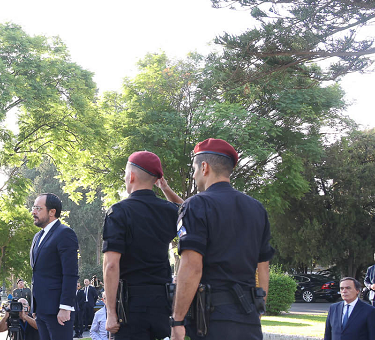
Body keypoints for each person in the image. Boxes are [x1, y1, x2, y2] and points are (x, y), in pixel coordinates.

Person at [169, 139, 275, 340]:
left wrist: (177, 320)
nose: (193, 175)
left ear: (204, 167)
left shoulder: (196, 205)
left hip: (212, 320)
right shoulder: (257, 209)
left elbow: (192, 266)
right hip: (248, 319)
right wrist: (258, 309)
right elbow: (263, 267)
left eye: (194, 169)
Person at [103, 151, 183, 340]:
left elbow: (111, 265)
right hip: (162, 303)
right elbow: (191, 213)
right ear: (156, 180)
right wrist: (166, 189)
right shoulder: (169, 211)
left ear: (131, 176)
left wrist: (111, 312)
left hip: (130, 307)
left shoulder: (118, 212)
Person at [30, 193, 79, 340]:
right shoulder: (37, 237)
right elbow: (37, 272)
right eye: (33, 208)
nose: (33, 212)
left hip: (59, 311)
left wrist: (65, 307)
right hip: (41, 310)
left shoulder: (65, 233)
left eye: (38, 208)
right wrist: (35, 307)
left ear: (52, 212)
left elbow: (70, 273)